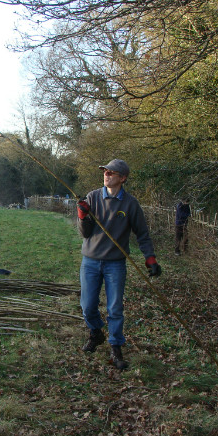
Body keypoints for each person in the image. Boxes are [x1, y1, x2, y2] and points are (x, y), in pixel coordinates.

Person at [77, 159, 162, 370]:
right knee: (87, 307)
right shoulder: (93, 197)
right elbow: (85, 233)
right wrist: (82, 215)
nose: (106, 175)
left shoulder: (130, 204)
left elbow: (142, 234)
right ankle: (96, 332)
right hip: (90, 262)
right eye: (105, 171)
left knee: (115, 308)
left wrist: (150, 259)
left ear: (122, 178)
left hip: (115, 264)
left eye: (112, 173)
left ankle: (116, 347)